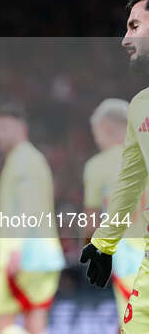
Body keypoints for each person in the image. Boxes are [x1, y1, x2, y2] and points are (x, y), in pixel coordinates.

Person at [81, 0, 149, 333]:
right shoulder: (140, 104)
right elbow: (129, 182)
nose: (125, 39)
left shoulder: (95, 166)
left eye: (134, 26)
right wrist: (103, 242)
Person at [0, 103, 65, 334]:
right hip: (40, 254)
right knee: (35, 324)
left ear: (21, 127)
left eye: (2, 127)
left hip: (23, 256)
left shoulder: (23, 160)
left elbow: (27, 208)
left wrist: (15, 249)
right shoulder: (28, 158)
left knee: (1, 325)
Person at [82, 99, 146, 326]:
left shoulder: (97, 165)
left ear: (106, 128)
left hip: (128, 255)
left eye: (95, 133)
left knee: (133, 322)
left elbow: (91, 221)